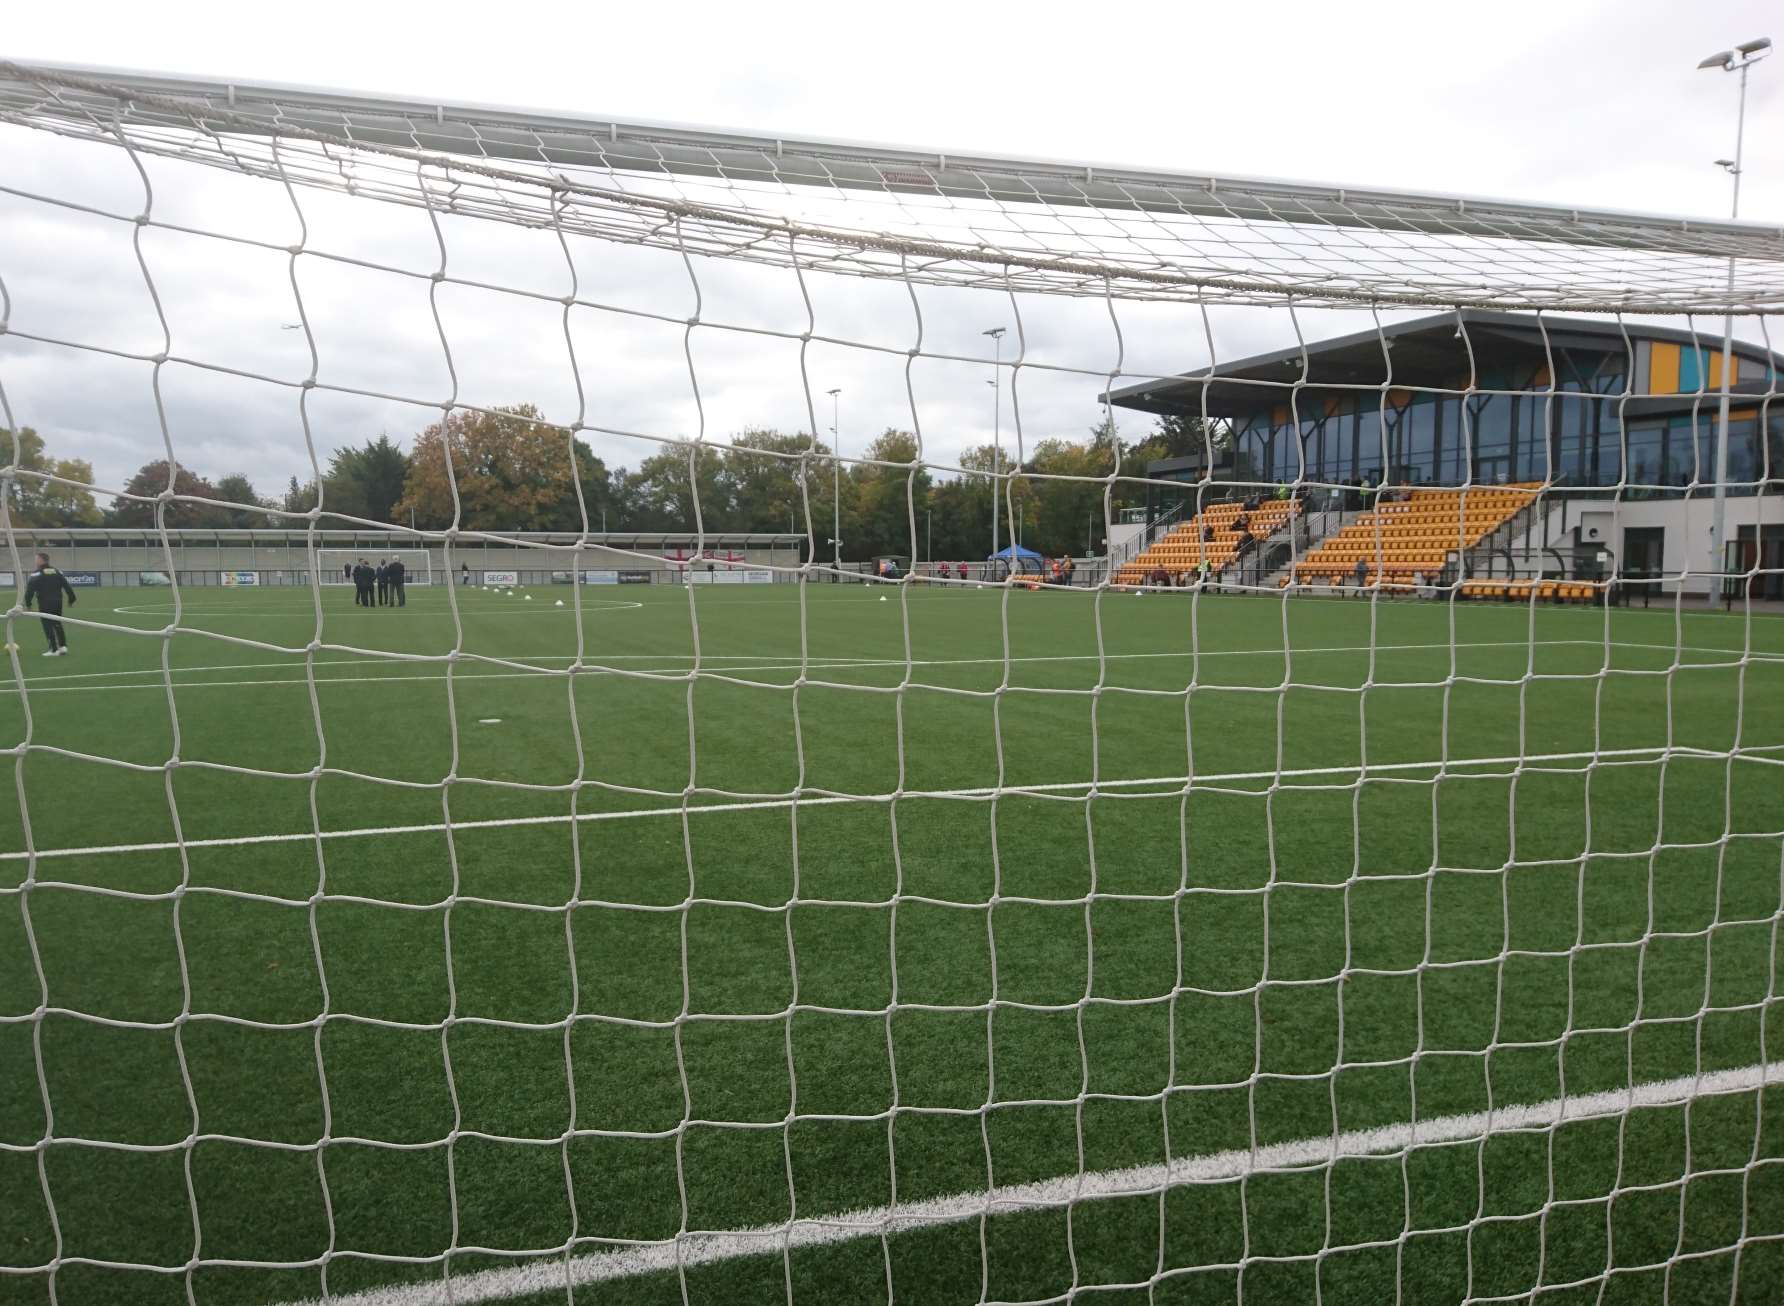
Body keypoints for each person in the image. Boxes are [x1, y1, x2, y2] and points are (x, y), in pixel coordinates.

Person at [23, 552, 77, 656]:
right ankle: (63, 647)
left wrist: (28, 603)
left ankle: (53, 649)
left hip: (45, 603)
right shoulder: (57, 572)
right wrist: (71, 599)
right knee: (57, 623)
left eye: (36, 559)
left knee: (47, 624)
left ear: (41, 560)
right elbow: (67, 587)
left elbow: (29, 590)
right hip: (57, 602)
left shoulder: (36, 574)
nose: (35, 561)